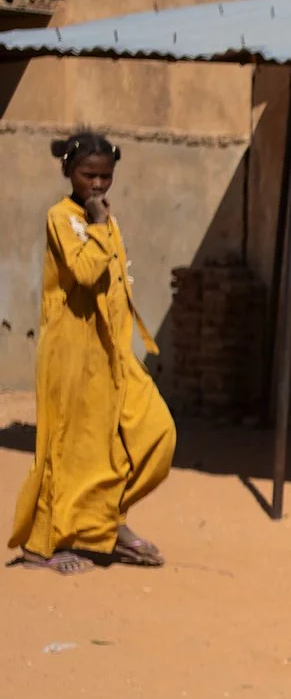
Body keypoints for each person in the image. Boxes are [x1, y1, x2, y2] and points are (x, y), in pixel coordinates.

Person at [10, 132, 175, 573]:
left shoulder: (106, 218)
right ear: (69, 172)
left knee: (156, 434)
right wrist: (99, 224)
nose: (98, 185)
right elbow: (85, 272)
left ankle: (105, 523)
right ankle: (41, 546)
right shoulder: (62, 218)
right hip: (71, 353)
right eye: (89, 176)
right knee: (65, 448)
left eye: (106, 176)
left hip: (111, 352)